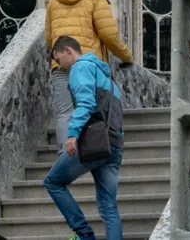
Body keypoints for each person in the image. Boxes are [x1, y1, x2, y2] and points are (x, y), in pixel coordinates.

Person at [45, 0, 132, 151]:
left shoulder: (54, 1)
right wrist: (126, 56)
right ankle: (96, 151)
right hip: (88, 65)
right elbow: (109, 35)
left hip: (61, 64)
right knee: (95, 111)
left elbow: (49, 38)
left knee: (65, 112)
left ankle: (65, 155)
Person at [44, 36, 124, 240]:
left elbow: (86, 104)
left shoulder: (80, 68)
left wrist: (72, 134)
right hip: (114, 144)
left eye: (58, 59)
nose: (59, 66)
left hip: (93, 142)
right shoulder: (107, 78)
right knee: (109, 207)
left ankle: (84, 233)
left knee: (52, 182)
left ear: (68, 50)